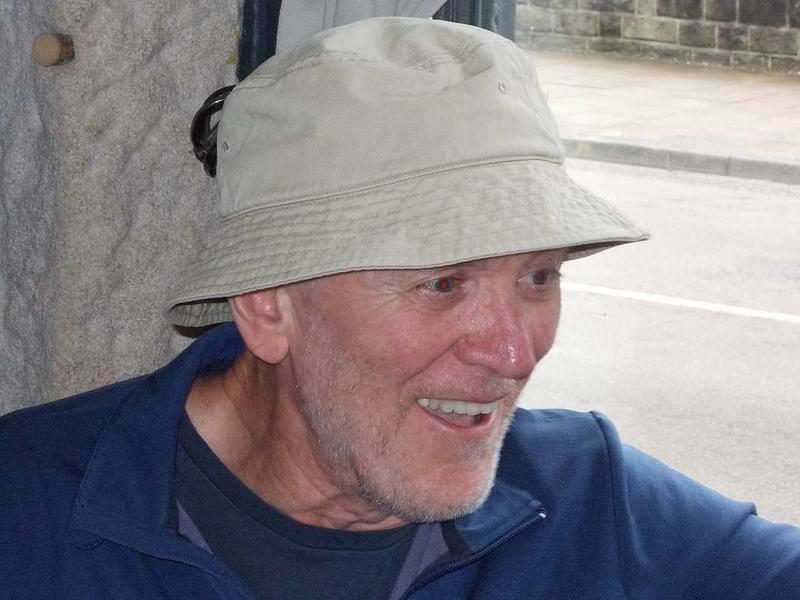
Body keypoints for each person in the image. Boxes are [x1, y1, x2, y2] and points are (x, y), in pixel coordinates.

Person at [1, 17, 798, 600]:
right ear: (269, 305)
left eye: (538, 277)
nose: (514, 354)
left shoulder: (588, 497)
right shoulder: (28, 511)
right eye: (444, 283)